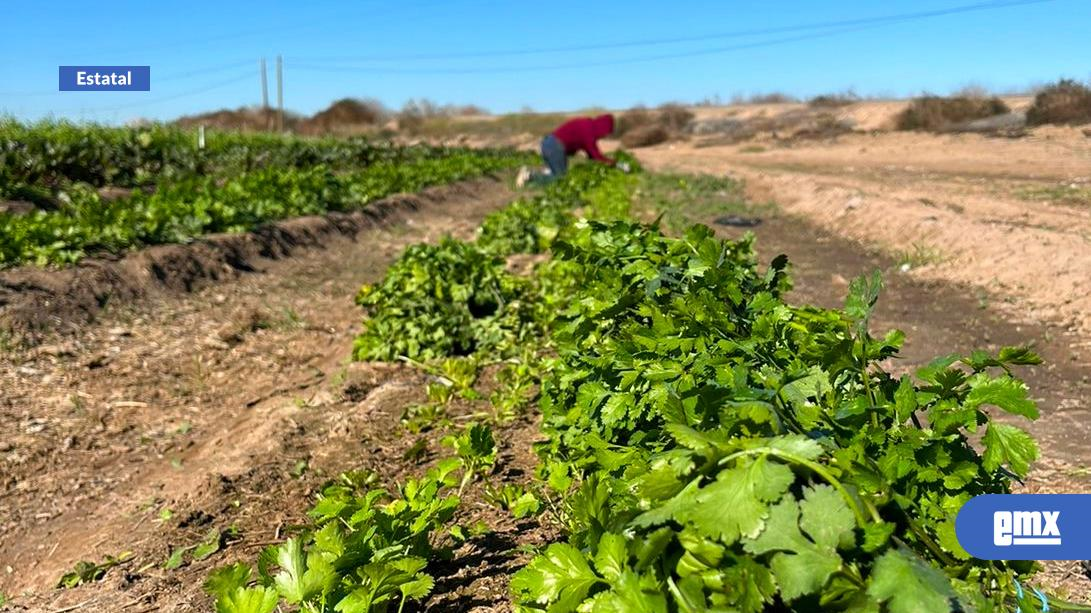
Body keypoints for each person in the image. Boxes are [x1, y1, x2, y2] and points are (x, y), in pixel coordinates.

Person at [517, 114, 630, 186]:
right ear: (603, 128)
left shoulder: (588, 124)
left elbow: (591, 154)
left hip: (548, 143)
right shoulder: (589, 132)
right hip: (555, 147)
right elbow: (596, 156)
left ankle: (534, 175)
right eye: (606, 133)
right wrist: (617, 164)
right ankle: (529, 177)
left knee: (554, 172)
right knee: (560, 179)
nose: (604, 136)